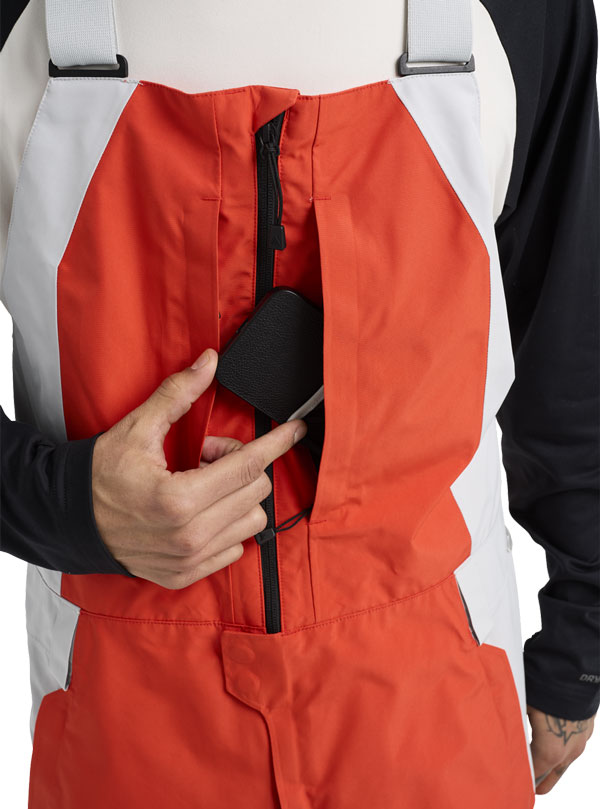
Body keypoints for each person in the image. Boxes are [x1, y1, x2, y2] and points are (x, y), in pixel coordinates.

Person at [0, 1, 598, 806]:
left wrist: (580, 641)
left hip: (436, 709)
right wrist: (71, 504)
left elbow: (567, 330)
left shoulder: (519, 14)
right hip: (125, 720)